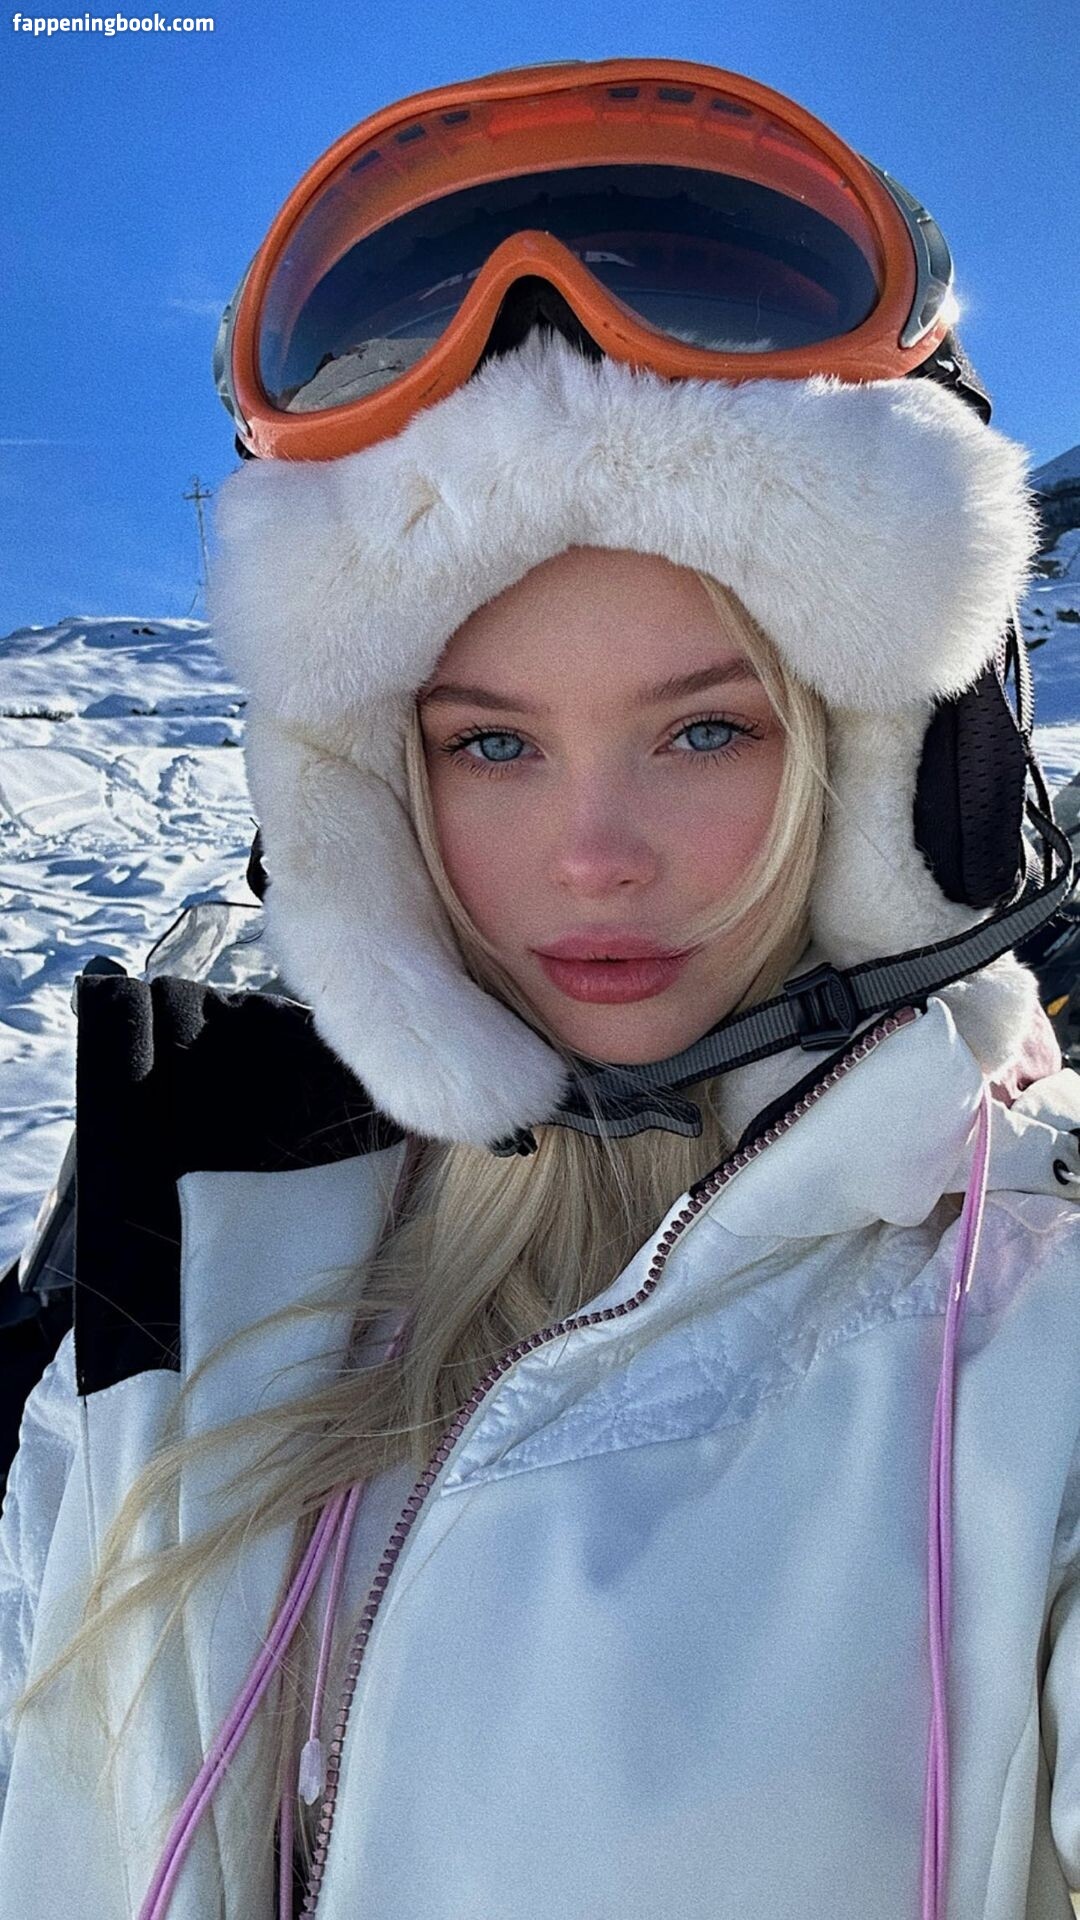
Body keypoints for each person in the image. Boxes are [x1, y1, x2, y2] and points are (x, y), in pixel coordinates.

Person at [1, 54, 1079, 1920]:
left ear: (889, 769)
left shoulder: (1034, 1335)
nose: (593, 859)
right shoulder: (172, 1271)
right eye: (490, 745)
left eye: (708, 728)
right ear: (361, 793)